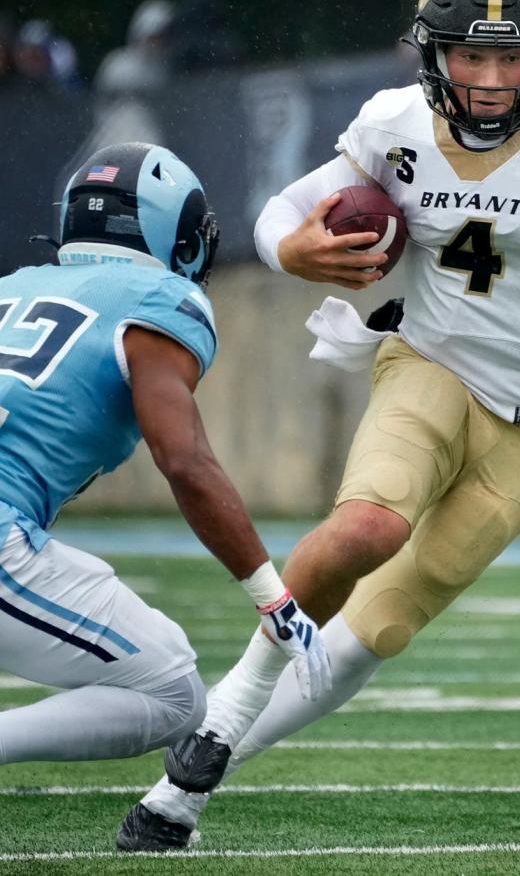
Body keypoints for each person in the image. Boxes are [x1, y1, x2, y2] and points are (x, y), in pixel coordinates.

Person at [119, 0, 520, 850]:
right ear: (432, 53)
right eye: (470, 55)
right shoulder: (394, 123)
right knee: (369, 525)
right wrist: (294, 254)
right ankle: (225, 711)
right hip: (432, 363)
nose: (488, 77)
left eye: (510, 55)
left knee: (380, 628)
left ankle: (186, 784)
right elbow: (279, 212)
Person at [0, 143, 328, 814]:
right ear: (174, 235)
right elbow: (182, 459)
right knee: (175, 691)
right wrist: (272, 595)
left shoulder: (14, 286)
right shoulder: (161, 298)